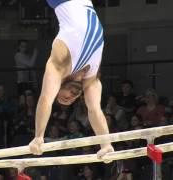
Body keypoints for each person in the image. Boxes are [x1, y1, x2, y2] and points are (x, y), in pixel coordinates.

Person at [28, 0, 114, 159]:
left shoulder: (59, 64)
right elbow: (94, 110)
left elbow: (46, 99)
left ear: (58, 86)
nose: (71, 96)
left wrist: (39, 137)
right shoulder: (92, 79)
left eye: (63, 97)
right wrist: (106, 144)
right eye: (72, 99)